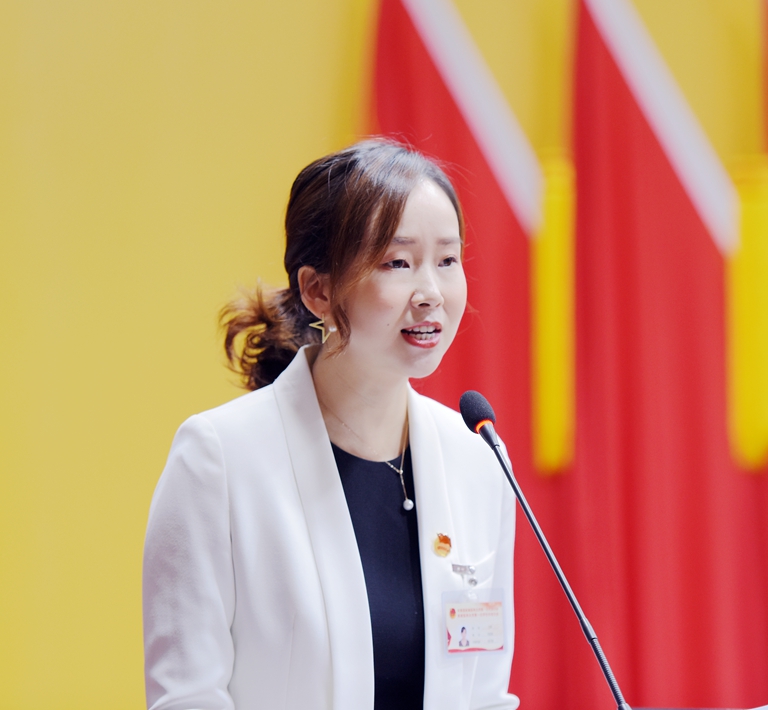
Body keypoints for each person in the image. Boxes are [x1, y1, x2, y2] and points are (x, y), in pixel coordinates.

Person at [143, 139, 518, 710]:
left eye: (447, 260)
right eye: (397, 263)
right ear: (318, 289)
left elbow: (484, 693)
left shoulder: (477, 461)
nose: (431, 294)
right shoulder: (217, 459)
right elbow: (187, 697)